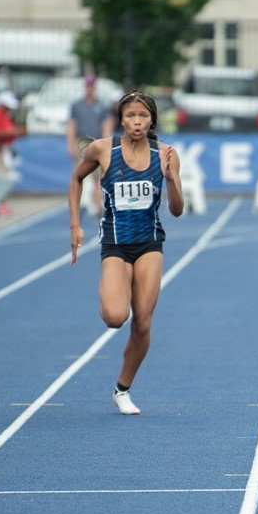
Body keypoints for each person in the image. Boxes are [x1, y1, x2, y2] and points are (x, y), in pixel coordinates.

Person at [68, 90, 185, 415]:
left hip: (149, 243)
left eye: (143, 116)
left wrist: (170, 178)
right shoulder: (103, 150)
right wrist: (75, 225)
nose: (137, 122)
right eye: (131, 116)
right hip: (115, 245)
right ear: (121, 119)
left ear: (151, 120)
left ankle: (122, 389)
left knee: (143, 324)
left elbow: (176, 210)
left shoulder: (166, 154)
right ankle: (112, 289)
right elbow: (76, 179)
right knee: (115, 317)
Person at [67, 75, 115, 217]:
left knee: (98, 176)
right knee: (79, 175)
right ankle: (78, 204)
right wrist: (70, 143)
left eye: (92, 86)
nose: (90, 89)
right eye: (88, 86)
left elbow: (106, 125)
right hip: (81, 141)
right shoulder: (77, 106)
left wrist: (106, 141)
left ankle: (98, 204)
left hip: (96, 141)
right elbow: (71, 126)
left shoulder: (100, 105)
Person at [0, 90, 25, 174]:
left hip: (5, 147)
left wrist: (17, 132)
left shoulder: (6, 115)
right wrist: (14, 132)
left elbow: (9, 130)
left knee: (5, 172)